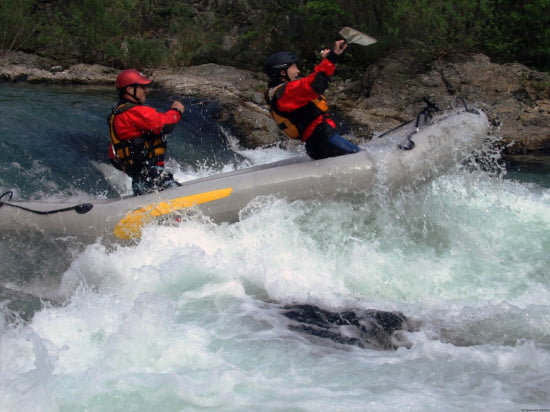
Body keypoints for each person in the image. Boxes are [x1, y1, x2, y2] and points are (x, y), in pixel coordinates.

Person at [264, 40, 361, 160]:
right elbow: (316, 83)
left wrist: (327, 59)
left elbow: (312, 81)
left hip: (320, 141)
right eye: (294, 67)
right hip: (325, 141)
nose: (298, 71)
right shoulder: (286, 92)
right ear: (283, 72)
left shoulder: (282, 91)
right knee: (360, 157)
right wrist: (333, 55)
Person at [108, 69, 185, 195]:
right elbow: (164, 124)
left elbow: (113, 156)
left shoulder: (116, 115)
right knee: (180, 201)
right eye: (142, 87)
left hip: (139, 179)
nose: (146, 91)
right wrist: (176, 111)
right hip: (152, 175)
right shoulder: (132, 112)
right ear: (129, 90)